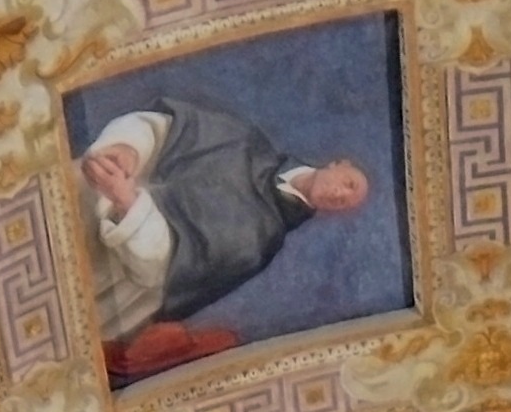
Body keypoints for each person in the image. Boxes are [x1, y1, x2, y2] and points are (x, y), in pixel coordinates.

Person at [76, 97, 374, 379]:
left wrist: (129, 205)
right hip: (85, 196)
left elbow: (160, 276)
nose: (340, 194)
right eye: (348, 184)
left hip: (103, 271)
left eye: (346, 201)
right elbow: (163, 127)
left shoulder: (259, 242)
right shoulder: (243, 141)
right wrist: (128, 148)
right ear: (338, 163)